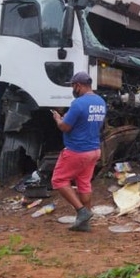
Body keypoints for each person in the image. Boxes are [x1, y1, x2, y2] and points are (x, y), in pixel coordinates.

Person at [50, 71, 107, 231]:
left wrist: (58, 119)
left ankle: (82, 212)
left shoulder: (78, 103)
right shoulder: (100, 102)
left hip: (77, 150)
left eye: (73, 86)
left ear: (78, 86)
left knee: (59, 180)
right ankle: (84, 223)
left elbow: (65, 127)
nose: (72, 90)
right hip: (94, 150)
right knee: (83, 183)